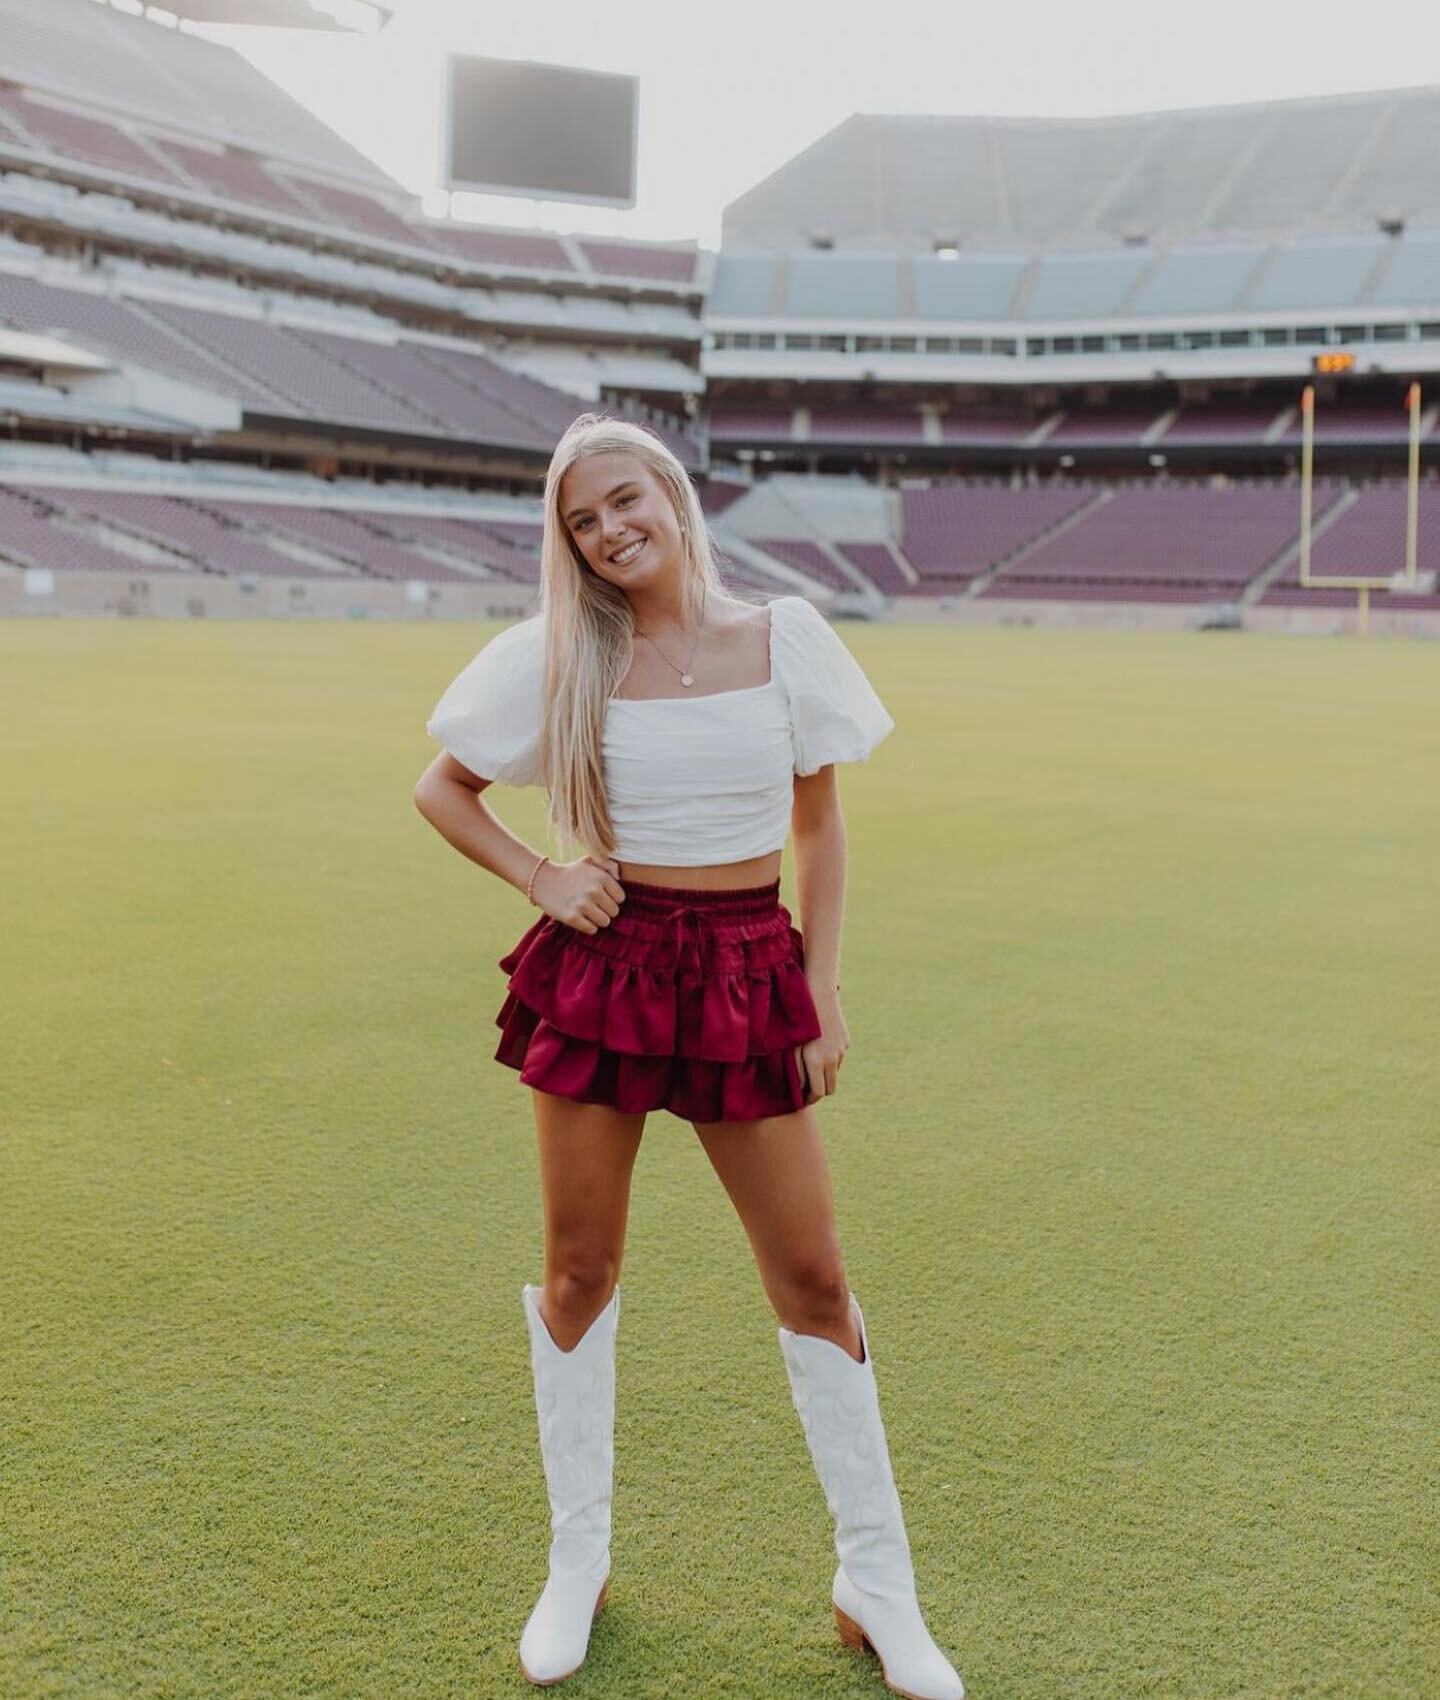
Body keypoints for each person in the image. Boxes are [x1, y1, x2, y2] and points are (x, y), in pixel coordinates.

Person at [413, 414, 964, 1700]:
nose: (609, 532)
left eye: (622, 501)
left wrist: (819, 994)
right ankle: (578, 1560)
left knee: (815, 1275)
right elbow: (442, 787)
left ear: (669, 491)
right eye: (582, 523)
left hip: (744, 968)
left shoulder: (785, 636)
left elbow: (820, 826)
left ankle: (876, 1583)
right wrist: (542, 875)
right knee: (579, 1266)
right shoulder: (556, 654)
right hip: (605, 967)